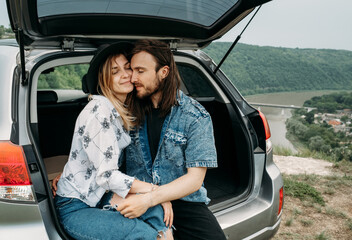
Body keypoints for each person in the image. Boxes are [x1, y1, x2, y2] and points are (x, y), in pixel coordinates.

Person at [53, 42, 173, 240]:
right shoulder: (99, 112)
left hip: (100, 194)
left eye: (128, 68)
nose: (126, 74)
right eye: (116, 71)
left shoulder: (120, 109)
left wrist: (158, 198)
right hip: (75, 206)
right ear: (104, 79)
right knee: (143, 234)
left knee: (157, 211)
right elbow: (107, 176)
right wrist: (158, 191)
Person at [109, 39, 226, 240]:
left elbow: (195, 180)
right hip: (135, 196)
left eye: (140, 71)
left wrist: (151, 198)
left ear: (163, 73)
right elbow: (106, 159)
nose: (132, 77)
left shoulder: (196, 116)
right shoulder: (126, 111)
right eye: (132, 70)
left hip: (183, 201)